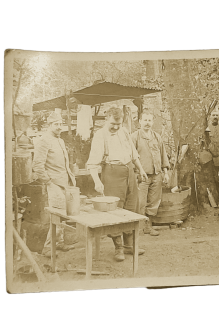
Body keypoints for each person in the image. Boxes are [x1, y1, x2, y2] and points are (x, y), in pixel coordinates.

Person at [87, 107, 148, 262]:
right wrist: (97, 181)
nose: (115, 127)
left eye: (118, 124)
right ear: (106, 119)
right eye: (113, 124)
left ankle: (129, 245)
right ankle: (118, 248)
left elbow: (133, 154)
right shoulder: (100, 136)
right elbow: (92, 163)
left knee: (131, 207)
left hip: (129, 171)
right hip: (112, 173)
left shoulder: (124, 131)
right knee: (116, 211)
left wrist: (140, 170)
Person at [32, 112, 76, 256]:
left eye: (60, 124)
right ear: (49, 125)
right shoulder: (44, 140)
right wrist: (49, 182)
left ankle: (59, 243)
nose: (59, 127)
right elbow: (37, 166)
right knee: (56, 215)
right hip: (54, 184)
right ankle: (47, 248)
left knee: (62, 215)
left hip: (64, 182)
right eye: (55, 124)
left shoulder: (60, 140)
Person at [131, 111, 170, 236]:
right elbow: (131, 156)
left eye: (149, 120)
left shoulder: (157, 137)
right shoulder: (134, 137)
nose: (147, 123)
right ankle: (139, 227)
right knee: (141, 202)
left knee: (154, 201)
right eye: (145, 120)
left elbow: (163, 155)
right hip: (142, 176)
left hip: (157, 174)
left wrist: (165, 172)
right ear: (140, 122)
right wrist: (135, 173)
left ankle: (148, 226)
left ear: (152, 122)